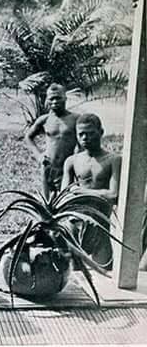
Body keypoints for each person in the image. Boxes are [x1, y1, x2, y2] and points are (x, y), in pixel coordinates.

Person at [61, 113, 121, 269]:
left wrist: (80, 192)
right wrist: (99, 194)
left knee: (105, 273)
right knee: (75, 275)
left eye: (90, 133)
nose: (85, 138)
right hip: (75, 223)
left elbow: (113, 195)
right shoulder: (72, 161)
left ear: (101, 132)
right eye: (81, 134)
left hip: (101, 226)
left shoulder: (113, 160)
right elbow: (64, 196)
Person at [24, 83, 80, 200]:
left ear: (65, 97)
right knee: (48, 201)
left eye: (58, 98)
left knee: (66, 199)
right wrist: (38, 155)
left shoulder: (75, 119)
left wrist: (78, 160)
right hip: (48, 166)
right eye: (51, 99)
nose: (54, 102)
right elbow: (28, 137)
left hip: (67, 167)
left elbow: (84, 142)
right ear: (47, 100)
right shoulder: (44, 120)